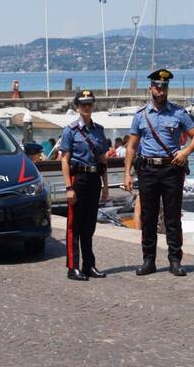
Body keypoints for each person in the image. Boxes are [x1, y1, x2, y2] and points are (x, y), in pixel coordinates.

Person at [123, 69, 194, 277]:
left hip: (171, 169)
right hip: (148, 169)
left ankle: (175, 260)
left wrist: (185, 152)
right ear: (151, 88)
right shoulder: (141, 116)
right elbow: (132, 146)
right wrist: (127, 174)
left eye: (164, 87)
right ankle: (148, 260)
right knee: (149, 217)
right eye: (158, 87)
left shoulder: (178, 113)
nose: (161, 90)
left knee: (172, 217)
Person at [60, 90, 110, 281]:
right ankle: (73, 267)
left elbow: (103, 159)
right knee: (74, 225)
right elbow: (64, 160)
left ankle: (89, 265)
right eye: (83, 104)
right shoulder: (70, 130)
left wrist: (105, 186)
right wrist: (68, 188)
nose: (86, 107)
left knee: (89, 226)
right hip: (78, 179)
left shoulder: (99, 130)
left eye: (89, 104)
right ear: (77, 107)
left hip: (94, 180)